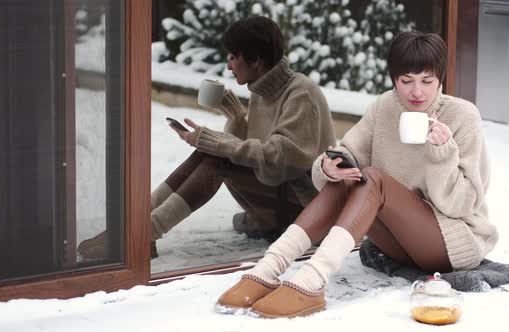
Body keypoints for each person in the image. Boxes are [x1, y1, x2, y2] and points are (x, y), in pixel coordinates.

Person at [215, 31, 498, 318]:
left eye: (427, 81)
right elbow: (346, 153)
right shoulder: (384, 107)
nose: (417, 92)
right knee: (347, 176)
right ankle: (268, 268)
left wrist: (441, 155)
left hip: (450, 242)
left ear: (440, 79)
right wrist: (328, 167)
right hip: (398, 243)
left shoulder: (463, 117)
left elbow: (463, 205)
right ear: (393, 79)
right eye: (406, 81)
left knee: (372, 177)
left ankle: (312, 279)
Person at [77, 16, 336, 260]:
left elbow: (279, 160)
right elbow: (256, 153)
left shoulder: (300, 93)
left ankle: (144, 233)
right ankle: (134, 224)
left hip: (307, 208)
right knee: (212, 152)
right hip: (280, 195)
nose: (228, 65)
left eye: (233, 57)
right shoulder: (262, 90)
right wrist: (237, 121)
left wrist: (219, 142)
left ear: (256, 60)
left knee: (218, 157)